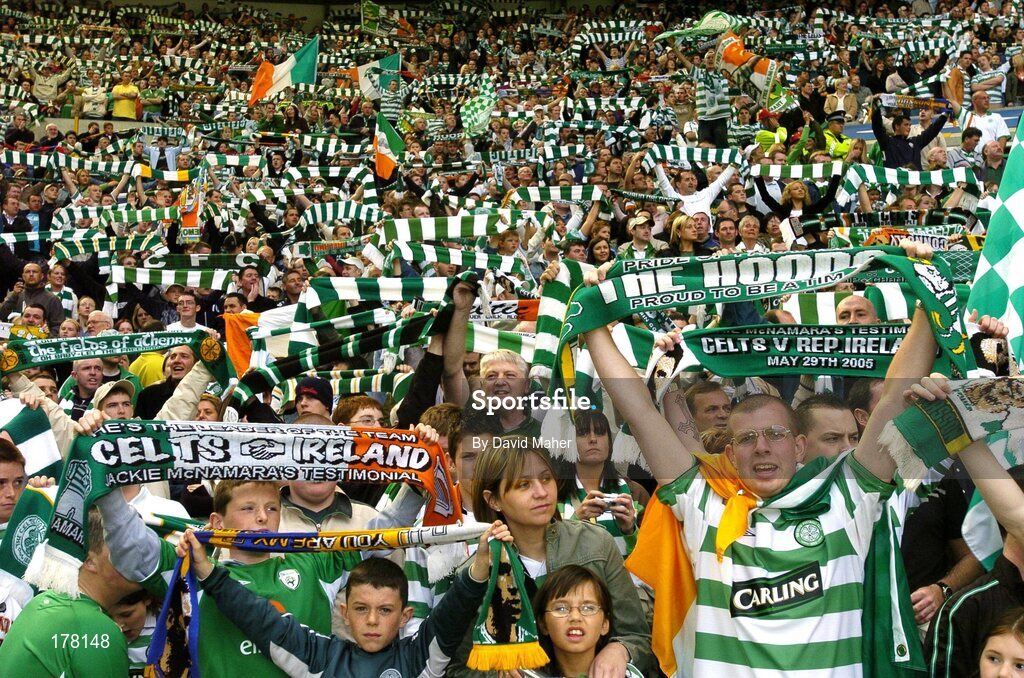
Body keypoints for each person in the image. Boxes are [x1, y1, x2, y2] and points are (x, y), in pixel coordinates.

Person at [583, 240, 940, 676]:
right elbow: (637, 408)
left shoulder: (850, 500)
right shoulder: (702, 504)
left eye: (775, 434)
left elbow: (892, 404)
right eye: (748, 438)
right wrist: (595, 319)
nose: (763, 447)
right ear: (730, 453)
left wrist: (927, 296)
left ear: (799, 447)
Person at [175, 522, 510, 677]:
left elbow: (454, 609)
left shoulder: (420, 657)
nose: (373, 621)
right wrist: (207, 569)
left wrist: (481, 564)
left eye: (385, 610)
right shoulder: (320, 657)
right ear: (344, 612)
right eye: (362, 609)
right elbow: (259, 618)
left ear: (406, 616)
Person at [446, 437, 654, 676]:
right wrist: (497, 673)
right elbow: (456, 669)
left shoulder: (597, 543)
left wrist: (620, 649)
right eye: (523, 484)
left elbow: (637, 636)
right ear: (493, 499)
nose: (541, 492)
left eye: (546, 479)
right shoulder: (478, 570)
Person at [0, 508, 136, 675]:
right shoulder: (94, 627)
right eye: (124, 548)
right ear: (89, 562)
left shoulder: (45, 601)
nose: (138, 555)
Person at [532, 565, 645, 678]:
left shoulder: (627, 675)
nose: (575, 617)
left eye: (588, 608)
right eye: (561, 608)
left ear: (605, 624)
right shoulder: (525, 674)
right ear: (543, 624)